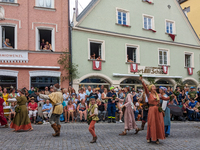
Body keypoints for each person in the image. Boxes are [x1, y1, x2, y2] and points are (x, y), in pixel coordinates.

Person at [139, 76, 165, 144]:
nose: (155, 88)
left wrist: (170, 97)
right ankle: (149, 137)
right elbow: (145, 88)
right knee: (151, 123)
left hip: (158, 111)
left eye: (155, 87)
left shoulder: (158, 95)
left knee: (158, 124)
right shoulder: (149, 94)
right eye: (153, 87)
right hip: (151, 110)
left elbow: (164, 98)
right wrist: (142, 81)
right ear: (150, 88)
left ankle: (157, 138)